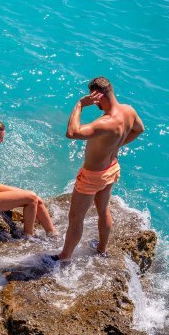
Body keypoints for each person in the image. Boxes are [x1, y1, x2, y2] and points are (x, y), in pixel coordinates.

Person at [49, 77, 144, 260]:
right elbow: (139, 129)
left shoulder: (105, 123)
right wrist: (117, 145)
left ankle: (64, 257)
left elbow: (72, 133)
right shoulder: (129, 111)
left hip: (93, 176)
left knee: (76, 217)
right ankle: (102, 249)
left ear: (98, 96)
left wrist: (80, 105)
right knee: (103, 209)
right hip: (111, 168)